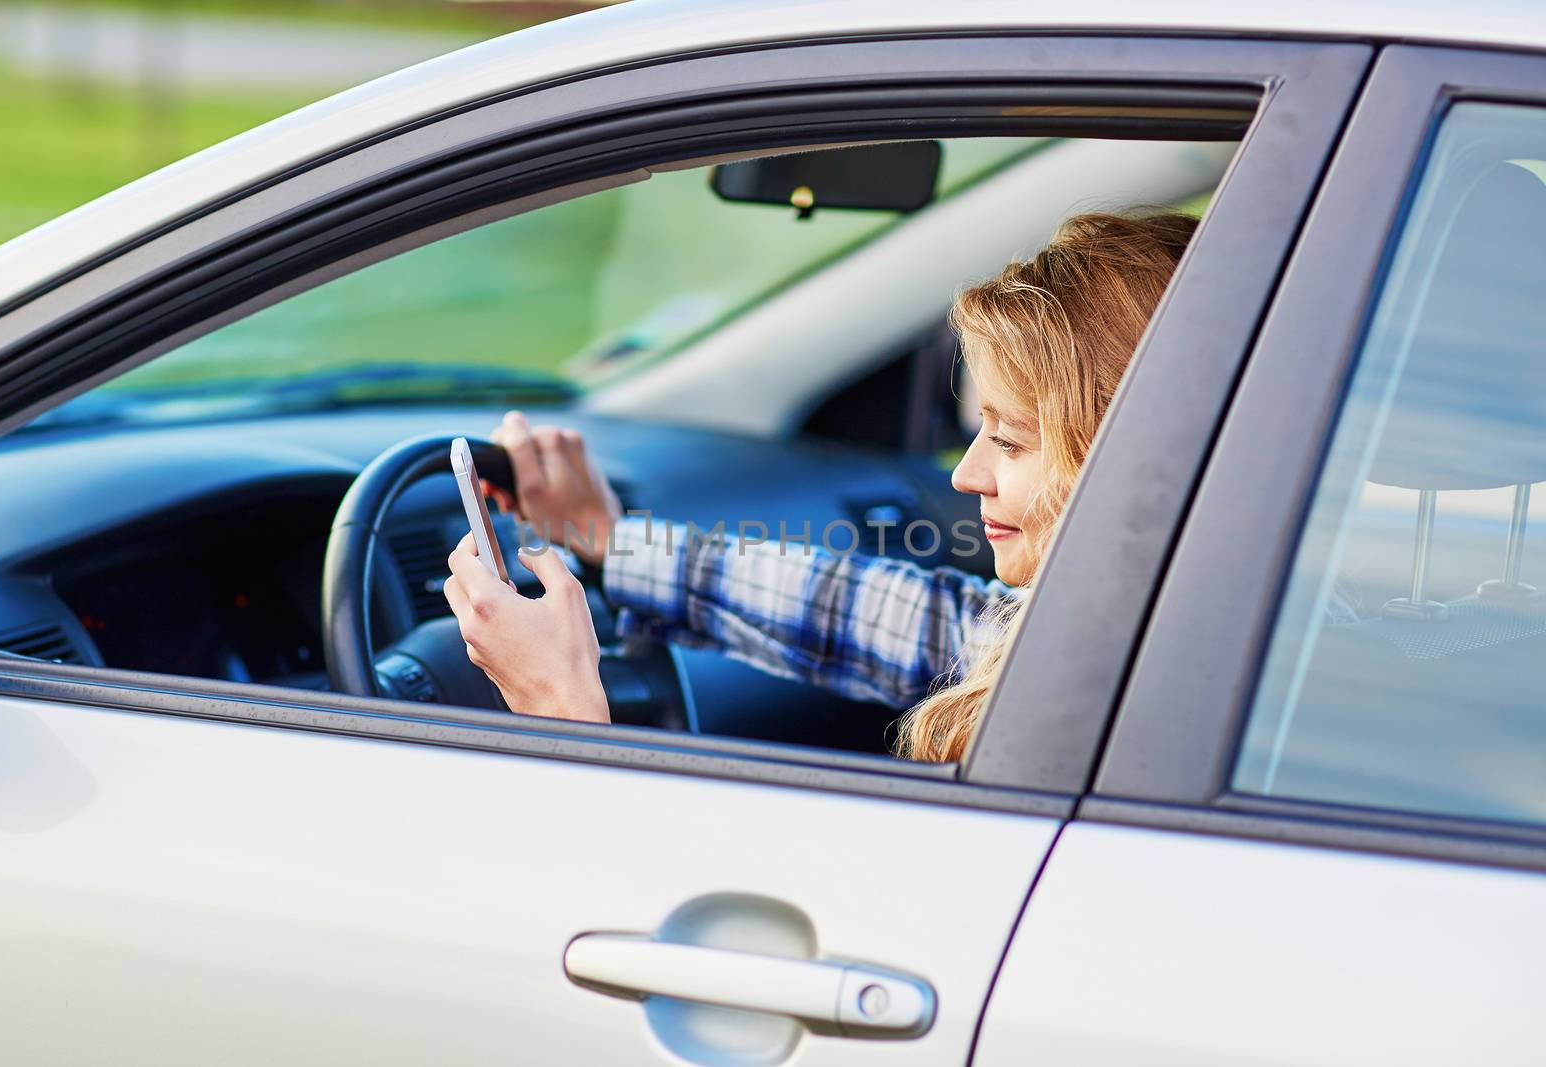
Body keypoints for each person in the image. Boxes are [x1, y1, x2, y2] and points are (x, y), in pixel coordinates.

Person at [444, 211, 1197, 762]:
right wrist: (613, 542)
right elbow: (913, 620)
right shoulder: (1145, 635)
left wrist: (560, 709)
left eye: (1009, 438)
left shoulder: (1094, 723)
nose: (966, 474)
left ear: (1132, 454)